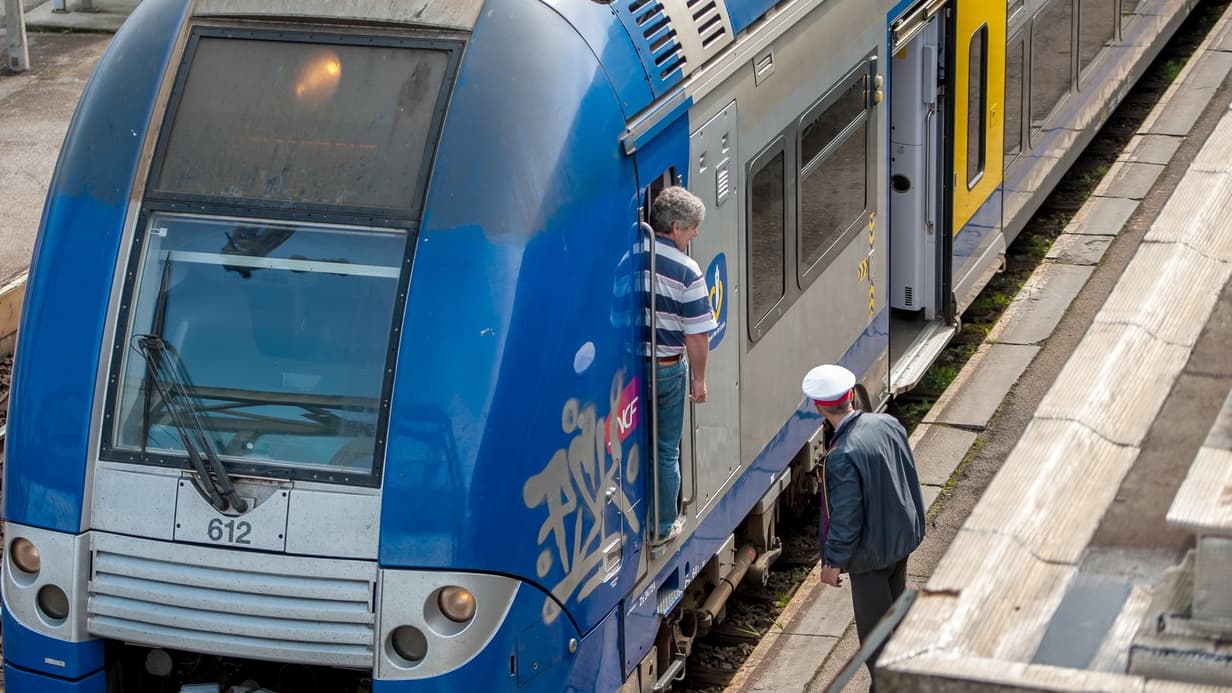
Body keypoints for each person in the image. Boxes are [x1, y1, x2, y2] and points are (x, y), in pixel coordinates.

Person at [802, 363, 925, 685]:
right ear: (850, 397)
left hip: (870, 557)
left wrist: (833, 563)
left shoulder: (842, 455)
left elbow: (846, 518)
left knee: (876, 639)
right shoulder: (887, 423)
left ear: (819, 407)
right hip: (901, 539)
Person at [644, 186, 716, 546]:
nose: (695, 234)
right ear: (675, 227)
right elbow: (697, 336)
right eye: (692, 228)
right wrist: (699, 380)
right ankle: (662, 527)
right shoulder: (687, 271)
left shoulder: (628, 256)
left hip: (627, 373)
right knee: (665, 449)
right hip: (667, 369)